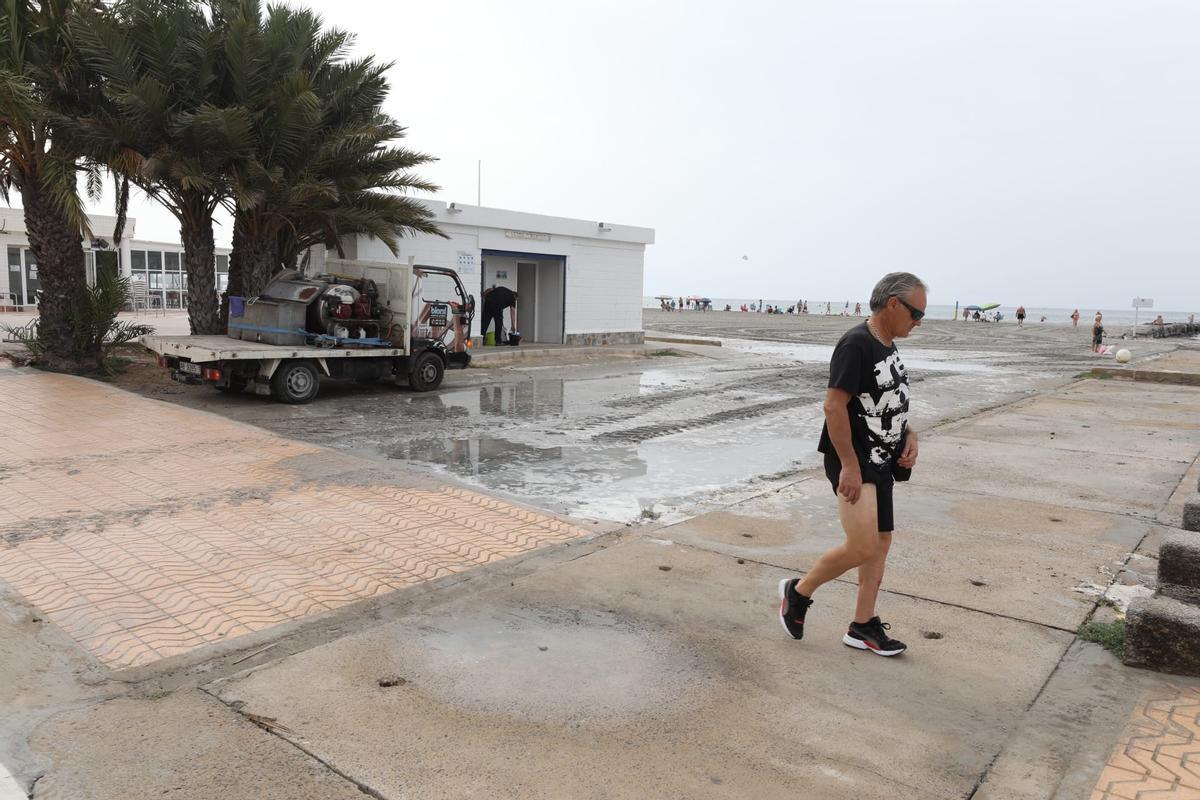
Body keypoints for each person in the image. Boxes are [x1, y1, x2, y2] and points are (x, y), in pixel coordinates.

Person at [778, 272, 926, 658]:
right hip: (855, 460)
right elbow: (833, 406)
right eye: (916, 313)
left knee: (880, 543)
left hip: (882, 459)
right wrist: (849, 465)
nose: (919, 322)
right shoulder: (856, 344)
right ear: (893, 304)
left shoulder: (888, 345)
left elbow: (886, 400)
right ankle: (798, 592)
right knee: (862, 546)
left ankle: (863, 626)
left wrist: (910, 434)